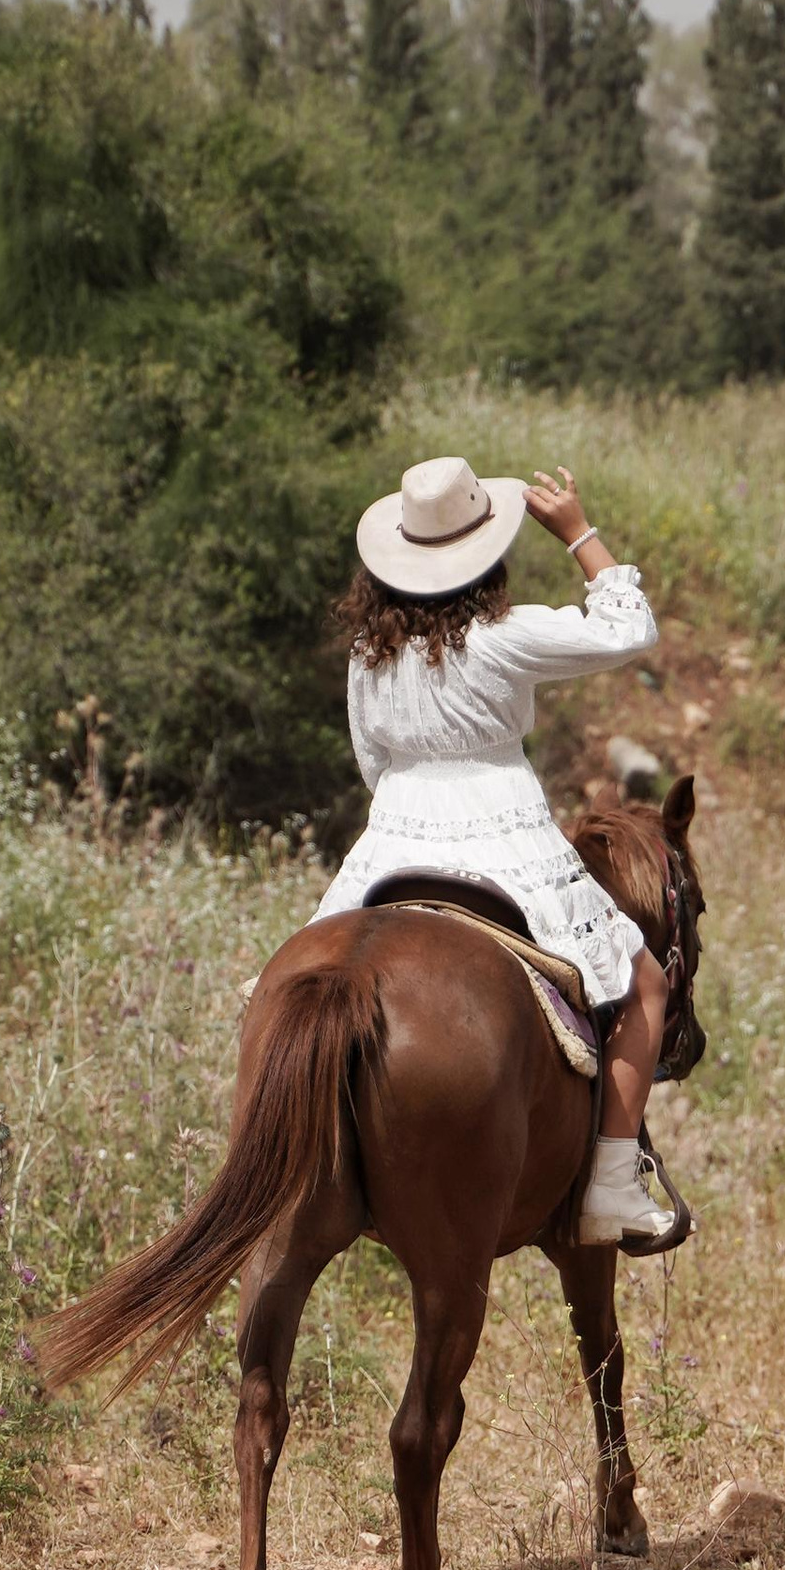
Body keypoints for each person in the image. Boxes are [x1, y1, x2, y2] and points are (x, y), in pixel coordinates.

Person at [315, 453, 689, 1251]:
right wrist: (580, 533)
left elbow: (371, 763)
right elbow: (629, 628)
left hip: (391, 841)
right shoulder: (505, 637)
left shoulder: (366, 655)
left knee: (299, 985)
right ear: (485, 556)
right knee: (643, 985)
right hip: (505, 834)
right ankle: (614, 1188)